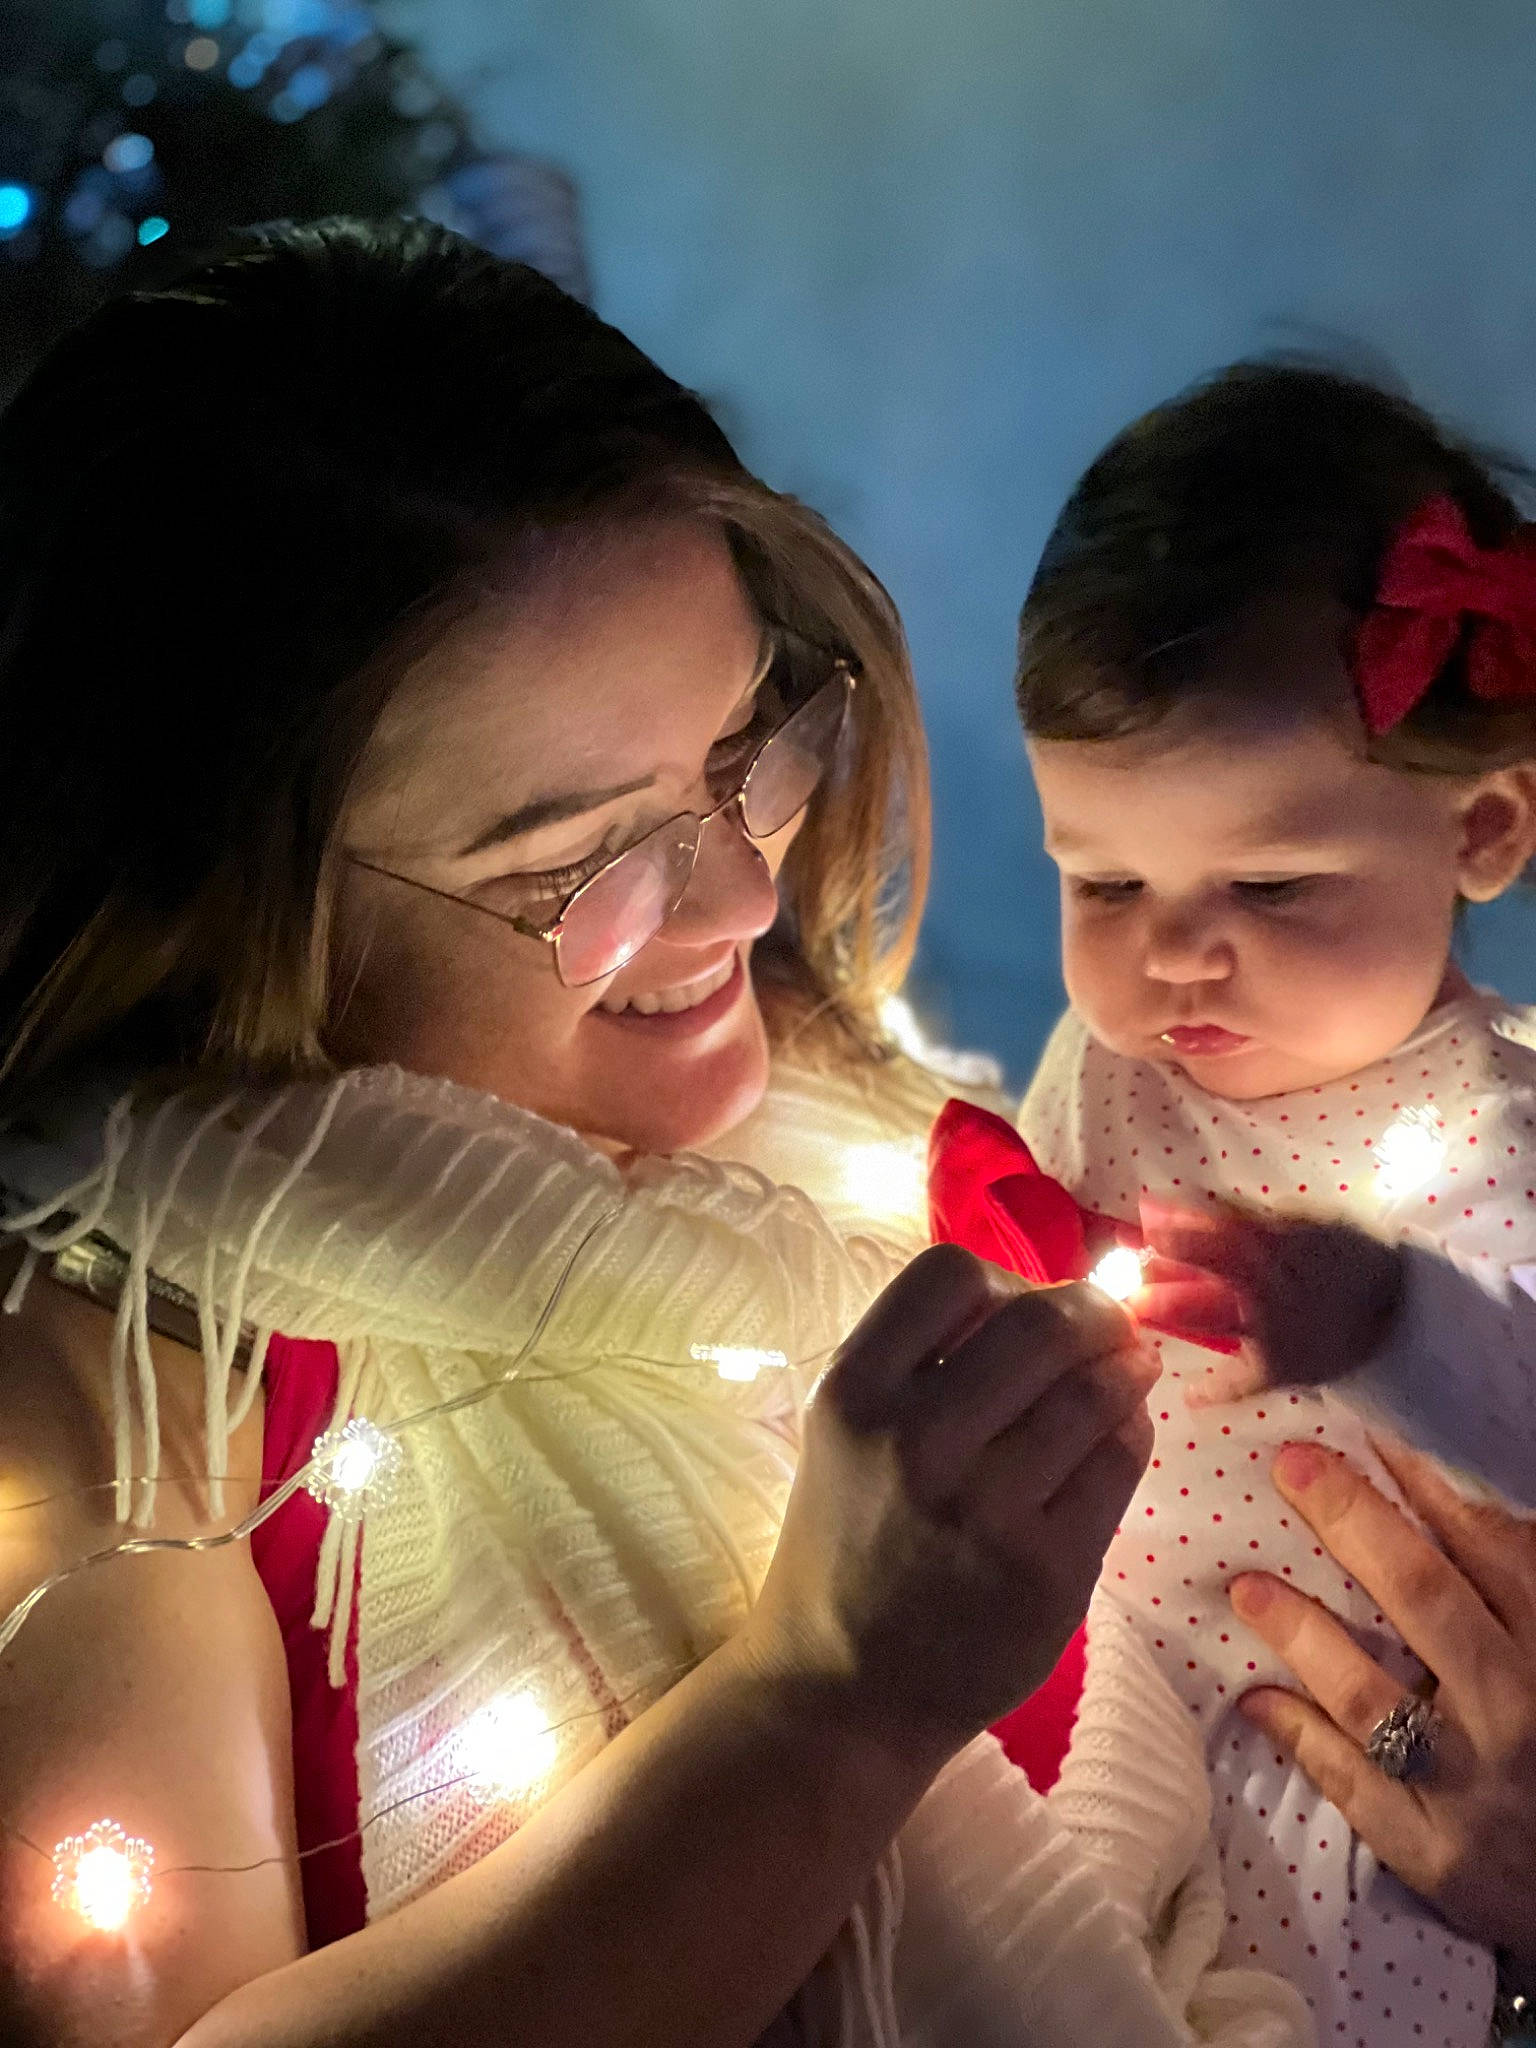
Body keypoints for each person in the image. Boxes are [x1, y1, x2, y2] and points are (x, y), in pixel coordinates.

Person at [0, 216, 1324, 2048]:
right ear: (226, 907)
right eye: (578, 863)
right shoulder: (131, 1367)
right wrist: (827, 1700)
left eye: (747, 753)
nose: (739, 905)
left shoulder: (862, 1164)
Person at [1005, 361, 1536, 2042]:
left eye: (1273, 882)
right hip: (1119, 1657)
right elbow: (1017, 1254)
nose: (1173, 951)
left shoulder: (1501, 1124)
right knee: (1023, 1951)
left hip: (1395, 1746)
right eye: (1105, 880)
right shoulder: (1109, 1069)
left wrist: (1382, 1317)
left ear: (1487, 826)